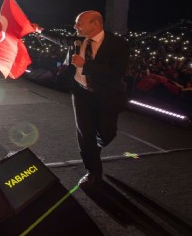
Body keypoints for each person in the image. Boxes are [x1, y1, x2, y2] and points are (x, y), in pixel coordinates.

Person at [33, 10, 129, 188]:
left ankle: (99, 143)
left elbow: (118, 72)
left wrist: (87, 65)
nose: (75, 26)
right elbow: (59, 38)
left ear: (96, 24)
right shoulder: (77, 40)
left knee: (107, 134)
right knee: (85, 135)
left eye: (79, 23)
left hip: (106, 96)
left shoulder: (118, 44)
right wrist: (40, 30)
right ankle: (93, 172)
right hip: (81, 93)